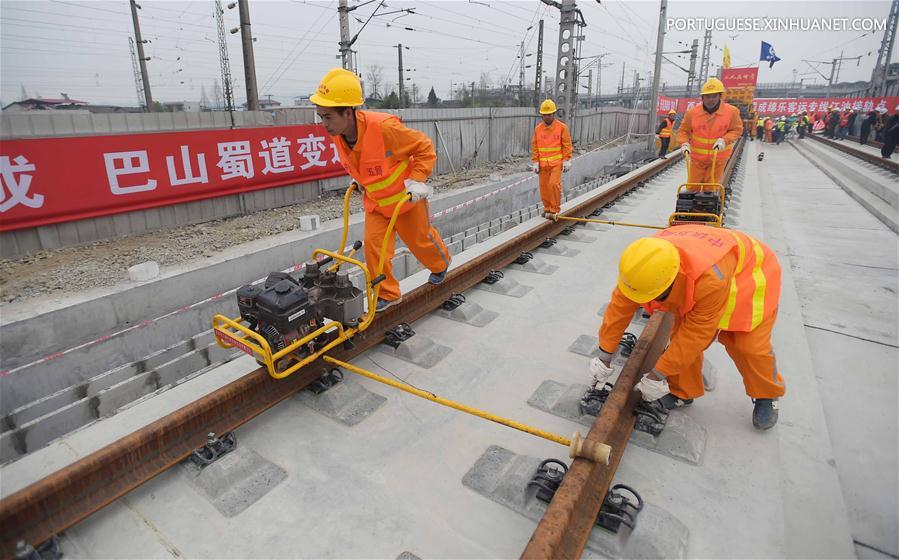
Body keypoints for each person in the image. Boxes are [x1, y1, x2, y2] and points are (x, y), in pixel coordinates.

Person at [589, 224, 785, 430]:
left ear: (671, 282)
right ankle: (683, 391)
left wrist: (657, 375)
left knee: (748, 346)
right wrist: (604, 355)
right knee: (679, 338)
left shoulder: (708, 281)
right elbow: (619, 310)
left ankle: (767, 394)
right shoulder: (641, 268)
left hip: (750, 277)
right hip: (710, 265)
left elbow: (696, 335)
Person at [309, 68, 451, 312]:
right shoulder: (338, 135)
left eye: (328, 117)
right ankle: (388, 293)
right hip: (375, 202)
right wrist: (360, 181)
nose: (324, 124)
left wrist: (417, 180)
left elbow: (425, 148)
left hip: (405, 200)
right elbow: (364, 163)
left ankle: (440, 265)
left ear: (348, 112)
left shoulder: (384, 128)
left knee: (420, 241)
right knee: (374, 248)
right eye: (320, 116)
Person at [676, 78, 743, 187]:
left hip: (718, 159)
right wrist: (684, 143)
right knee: (692, 188)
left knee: (711, 191)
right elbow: (683, 131)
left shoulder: (731, 112)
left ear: (720, 96)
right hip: (697, 160)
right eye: (707, 96)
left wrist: (724, 140)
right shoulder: (692, 113)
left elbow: (737, 130)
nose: (710, 100)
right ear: (702, 97)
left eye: (714, 96)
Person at [532, 99, 573, 218]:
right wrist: (535, 162)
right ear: (541, 115)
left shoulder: (562, 128)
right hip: (543, 164)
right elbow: (535, 146)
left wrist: (567, 160)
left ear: (554, 114)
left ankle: (554, 209)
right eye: (544, 115)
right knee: (544, 187)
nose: (546, 117)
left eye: (549, 114)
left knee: (553, 185)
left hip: (556, 163)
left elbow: (567, 144)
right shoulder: (538, 129)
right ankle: (547, 209)